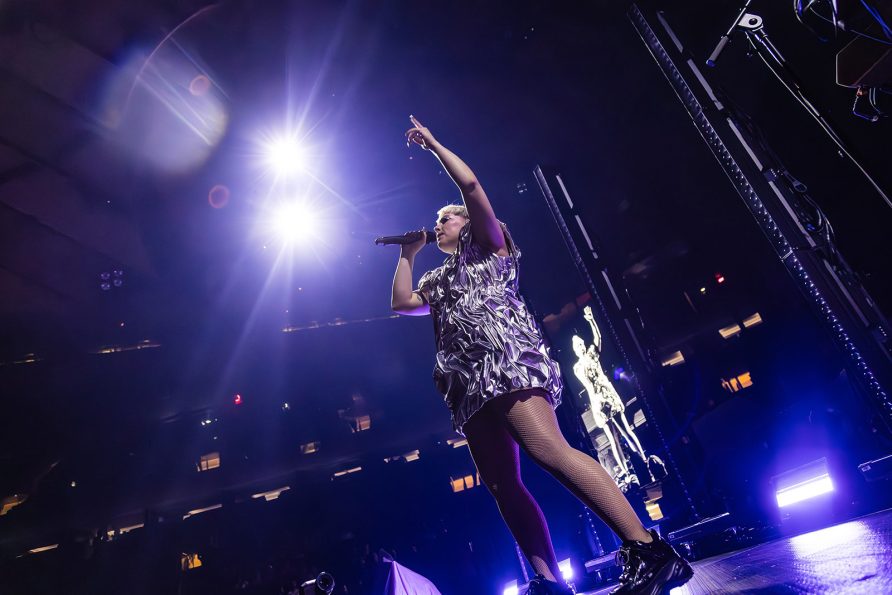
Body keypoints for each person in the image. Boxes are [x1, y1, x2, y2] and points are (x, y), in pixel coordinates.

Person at [390, 116, 692, 594]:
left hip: (507, 362)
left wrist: (432, 145)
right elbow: (402, 304)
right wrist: (408, 253)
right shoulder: (439, 279)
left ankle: (649, 549)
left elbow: (469, 183)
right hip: (466, 387)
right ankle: (549, 583)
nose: (438, 223)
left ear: (467, 222)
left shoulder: (490, 246)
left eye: (445, 217)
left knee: (547, 450)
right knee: (501, 485)